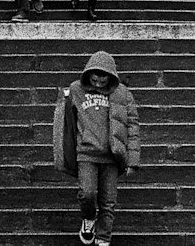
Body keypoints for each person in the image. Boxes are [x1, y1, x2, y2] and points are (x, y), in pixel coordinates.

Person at [53, 51, 140, 246]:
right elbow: (65, 121)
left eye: (103, 80)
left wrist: (132, 160)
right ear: (88, 74)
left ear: (111, 77)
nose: (99, 84)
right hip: (86, 154)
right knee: (87, 193)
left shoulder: (122, 94)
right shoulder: (76, 89)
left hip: (112, 155)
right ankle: (89, 219)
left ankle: (103, 239)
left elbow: (133, 127)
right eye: (95, 79)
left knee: (108, 202)